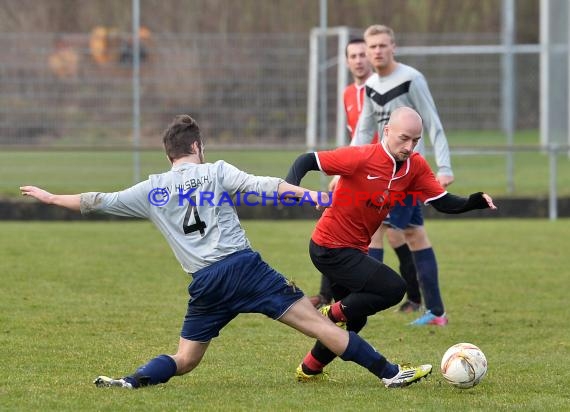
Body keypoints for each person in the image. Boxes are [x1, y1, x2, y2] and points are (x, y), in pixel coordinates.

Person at [20, 114, 433, 389]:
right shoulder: (215, 171)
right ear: (197, 145)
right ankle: (391, 373)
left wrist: (53, 197)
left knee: (185, 359)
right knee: (321, 325)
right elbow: (267, 187)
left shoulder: (151, 190)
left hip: (205, 283)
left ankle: (132, 381)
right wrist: (313, 199)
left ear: (169, 154)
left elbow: (98, 200)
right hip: (245, 270)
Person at [286, 106, 496, 381]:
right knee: (394, 288)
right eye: (404, 138)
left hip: (353, 249)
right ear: (387, 132)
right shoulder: (362, 156)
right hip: (329, 247)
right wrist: (291, 186)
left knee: (356, 319)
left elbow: (442, 201)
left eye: (415, 141)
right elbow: (306, 160)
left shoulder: (415, 166)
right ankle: (328, 312)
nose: (409, 147)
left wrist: (473, 201)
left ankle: (309, 369)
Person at [351, 24, 456, 326]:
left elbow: (432, 123)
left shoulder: (411, 78)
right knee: (412, 234)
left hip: (409, 171)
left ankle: (363, 308)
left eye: (383, 46)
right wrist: (344, 166)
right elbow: (362, 130)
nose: (377, 51)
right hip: (383, 171)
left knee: (376, 229)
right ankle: (436, 312)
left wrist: (445, 168)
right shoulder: (371, 84)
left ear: (393, 47)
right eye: (372, 47)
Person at [309, 37, 379, 309]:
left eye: (364, 54)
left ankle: (413, 299)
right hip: (357, 173)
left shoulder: (381, 90)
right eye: (354, 55)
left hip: (383, 174)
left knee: (402, 234)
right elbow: (355, 137)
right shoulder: (348, 93)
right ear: (347, 61)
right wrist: (340, 173)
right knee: (336, 229)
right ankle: (329, 295)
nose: (359, 60)